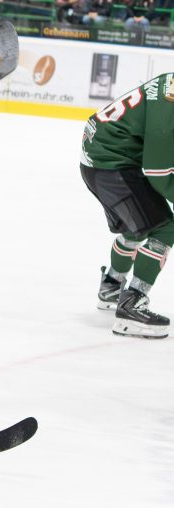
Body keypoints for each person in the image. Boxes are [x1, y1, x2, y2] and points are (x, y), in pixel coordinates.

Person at [81, 73, 174, 339]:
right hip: (112, 165)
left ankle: (111, 286)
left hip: (100, 159)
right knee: (165, 228)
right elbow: (159, 172)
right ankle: (131, 306)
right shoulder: (169, 105)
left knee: (137, 227)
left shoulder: (170, 82)